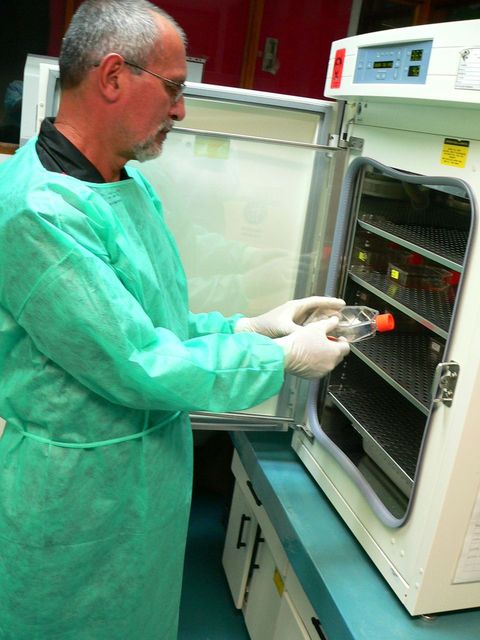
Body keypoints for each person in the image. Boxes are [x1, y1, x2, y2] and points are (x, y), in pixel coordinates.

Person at [0, 1, 349, 638]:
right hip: (79, 499)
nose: (181, 110)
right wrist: (281, 358)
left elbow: (151, 321)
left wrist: (246, 328)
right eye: (174, 88)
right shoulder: (39, 211)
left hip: (140, 482)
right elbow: (138, 362)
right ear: (113, 76)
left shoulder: (120, 184)